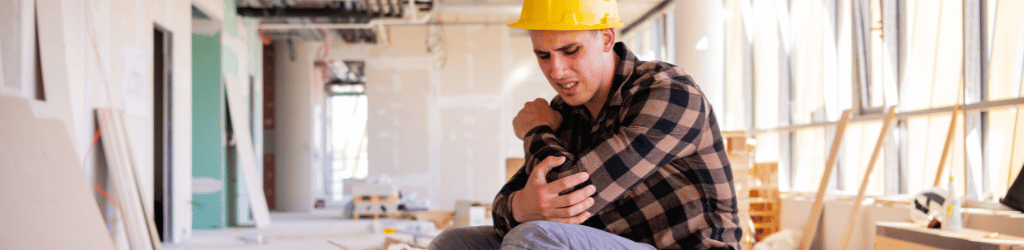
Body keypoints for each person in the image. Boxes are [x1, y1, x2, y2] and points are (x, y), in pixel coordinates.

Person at [428, 0, 740, 249]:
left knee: (534, 239)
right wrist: (523, 207)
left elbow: (570, 191)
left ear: (606, 38)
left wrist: (536, 130)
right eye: (543, 55)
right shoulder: (566, 112)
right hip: (614, 242)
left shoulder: (670, 94)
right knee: (454, 242)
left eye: (570, 50)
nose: (557, 70)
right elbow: (507, 207)